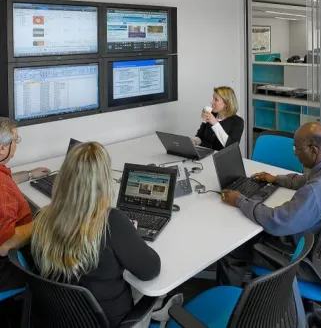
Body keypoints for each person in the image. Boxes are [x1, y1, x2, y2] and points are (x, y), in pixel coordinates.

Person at [31, 142, 161, 327]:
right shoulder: (111, 222)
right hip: (109, 320)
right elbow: (150, 270)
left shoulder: (42, 217)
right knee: (156, 293)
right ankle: (161, 309)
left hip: (61, 316)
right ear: (104, 180)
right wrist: (130, 235)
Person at [217, 122, 321, 287]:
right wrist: (276, 179)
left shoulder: (314, 191)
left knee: (233, 248)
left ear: (314, 150)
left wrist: (240, 200)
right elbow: (308, 179)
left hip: (305, 259)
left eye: (297, 149)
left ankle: (232, 304)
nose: (295, 154)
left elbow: (275, 221)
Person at [0, 117, 50, 292]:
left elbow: (7, 179)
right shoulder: (2, 190)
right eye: (16, 140)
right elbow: (5, 246)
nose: (17, 144)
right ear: (2, 148)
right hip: (7, 268)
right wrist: (43, 220)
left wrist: (29, 174)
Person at [192, 86, 244, 151]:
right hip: (205, 155)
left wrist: (215, 123)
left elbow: (231, 147)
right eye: (213, 99)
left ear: (226, 104)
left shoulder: (237, 122)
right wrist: (194, 141)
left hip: (221, 158)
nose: (212, 102)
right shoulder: (211, 114)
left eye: (216, 100)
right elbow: (200, 135)